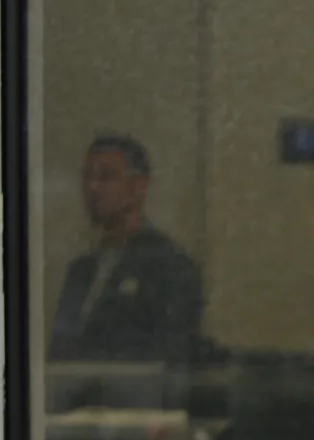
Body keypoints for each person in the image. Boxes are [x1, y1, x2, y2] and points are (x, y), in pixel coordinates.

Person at [50, 134, 202, 367]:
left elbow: (168, 357)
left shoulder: (169, 265)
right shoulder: (81, 269)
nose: (93, 188)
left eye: (106, 177)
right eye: (87, 177)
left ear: (138, 186)